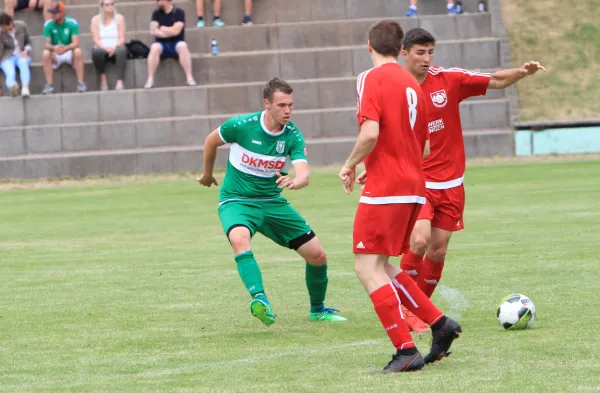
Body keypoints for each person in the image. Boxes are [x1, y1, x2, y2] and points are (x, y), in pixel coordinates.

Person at [395, 28, 545, 332]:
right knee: (419, 240)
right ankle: (403, 309)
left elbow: (496, 80)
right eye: (420, 53)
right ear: (404, 53)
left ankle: (418, 309)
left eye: (430, 52)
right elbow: (384, 134)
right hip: (417, 181)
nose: (426, 59)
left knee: (438, 249)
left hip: (451, 183)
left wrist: (522, 72)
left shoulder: (447, 80)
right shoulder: (396, 88)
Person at [338, 20, 461, 373]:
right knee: (384, 265)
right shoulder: (413, 84)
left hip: (388, 187)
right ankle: (440, 324)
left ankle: (405, 350)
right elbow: (420, 144)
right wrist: (376, 165)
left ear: (369, 46)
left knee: (365, 266)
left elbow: (371, 131)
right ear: (400, 48)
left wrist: (351, 165)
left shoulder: (369, 78)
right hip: (413, 185)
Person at [198, 77, 347, 326]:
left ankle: (318, 310)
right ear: (267, 103)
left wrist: (295, 182)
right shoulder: (241, 125)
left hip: (272, 202)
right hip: (237, 200)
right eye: (281, 105)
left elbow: (304, 174)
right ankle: (260, 300)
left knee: (318, 255)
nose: (287, 110)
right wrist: (207, 174)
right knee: (239, 239)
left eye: (290, 105)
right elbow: (210, 141)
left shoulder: (292, 135)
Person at [145, 0, 196, 89]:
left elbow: (177, 31)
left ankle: (189, 77)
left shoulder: (179, 12)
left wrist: (162, 28)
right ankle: (150, 79)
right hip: (161, 44)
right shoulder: (156, 13)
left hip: (176, 43)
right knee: (154, 47)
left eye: (158, 0)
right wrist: (169, 31)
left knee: (183, 46)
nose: (156, 2)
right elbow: (153, 31)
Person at [41, 2, 86, 94]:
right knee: (45, 53)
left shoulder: (72, 23)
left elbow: (76, 43)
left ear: (62, 13)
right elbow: (46, 44)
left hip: (69, 52)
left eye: (55, 13)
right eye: (52, 13)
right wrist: (54, 48)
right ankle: (49, 85)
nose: (52, 15)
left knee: (78, 51)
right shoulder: (48, 24)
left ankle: (81, 83)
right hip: (55, 53)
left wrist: (66, 48)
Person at [90, 0, 126, 91]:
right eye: (107, 5)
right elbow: (95, 39)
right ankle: (103, 80)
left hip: (116, 47)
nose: (110, 6)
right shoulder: (95, 20)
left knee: (122, 50)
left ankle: (120, 81)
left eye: (112, 4)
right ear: (102, 6)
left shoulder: (119, 18)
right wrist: (105, 48)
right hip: (102, 48)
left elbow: (122, 38)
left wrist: (115, 47)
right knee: (96, 51)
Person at [0, 13, 32, 97]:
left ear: (10, 22)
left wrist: (26, 50)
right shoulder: (1, 33)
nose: (3, 29)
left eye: (4, 26)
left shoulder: (21, 26)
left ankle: (25, 88)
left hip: (21, 54)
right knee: (10, 73)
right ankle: (12, 86)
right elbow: (1, 50)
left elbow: (28, 42)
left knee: (23, 63)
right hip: (7, 56)